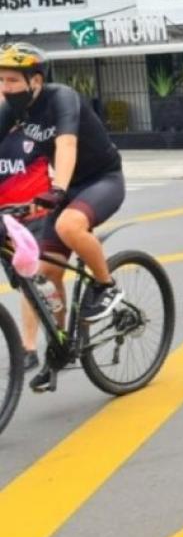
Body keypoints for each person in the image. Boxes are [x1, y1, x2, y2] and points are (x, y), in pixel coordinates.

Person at [0, 44, 129, 392]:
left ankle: (106, 286)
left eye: (12, 80)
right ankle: (60, 347)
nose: (4, 87)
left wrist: (57, 189)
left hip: (102, 180)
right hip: (68, 188)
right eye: (1, 80)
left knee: (68, 225)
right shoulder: (12, 111)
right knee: (47, 275)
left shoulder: (62, 98)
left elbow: (66, 145)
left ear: (36, 80)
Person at [0, 95, 53, 374]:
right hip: (5, 224)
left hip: (37, 219)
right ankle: (55, 324)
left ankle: (29, 348)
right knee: (26, 284)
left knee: (29, 278)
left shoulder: (34, 132)